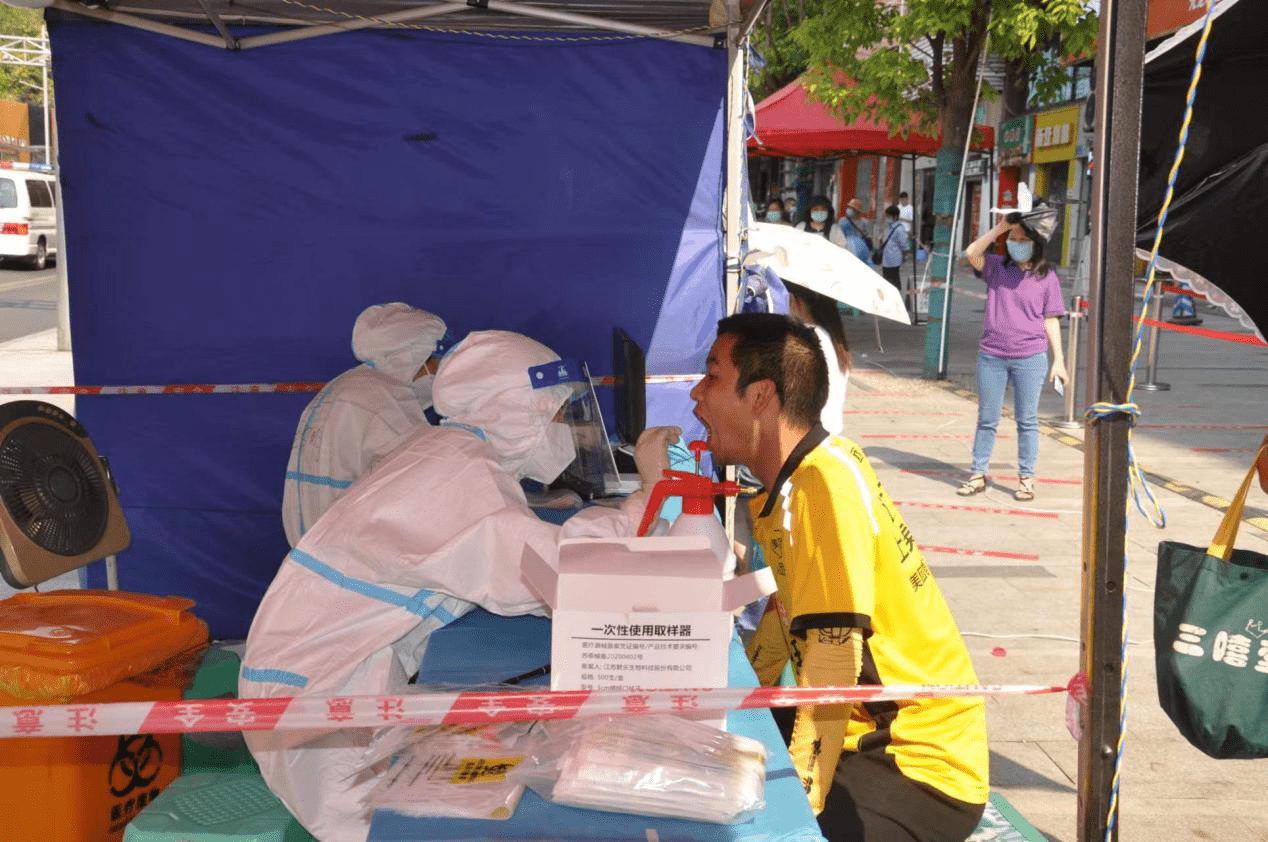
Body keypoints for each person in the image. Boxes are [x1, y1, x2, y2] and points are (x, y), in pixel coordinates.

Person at [243, 330, 682, 842]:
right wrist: (646, 497)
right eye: (556, 413)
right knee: (399, 828)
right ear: (514, 409)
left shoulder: (452, 453)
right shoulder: (454, 475)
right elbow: (561, 575)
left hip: (327, 677)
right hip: (321, 711)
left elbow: (503, 550)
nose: (564, 428)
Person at [690, 313, 989, 842]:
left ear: (760, 396)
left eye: (712, 376)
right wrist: (734, 712)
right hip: (859, 733)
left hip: (913, 763)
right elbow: (785, 625)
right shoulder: (800, 480)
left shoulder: (825, 486)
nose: (696, 395)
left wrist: (801, 808)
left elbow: (833, 653)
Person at [281, 302, 449, 546]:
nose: (438, 373)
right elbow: (420, 486)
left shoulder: (344, 386)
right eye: (436, 363)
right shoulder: (388, 400)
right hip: (351, 556)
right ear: (412, 356)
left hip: (312, 553)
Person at [957, 215, 1068, 501]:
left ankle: (1026, 479)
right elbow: (971, 253)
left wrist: (1059, 361)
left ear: (1036, 243)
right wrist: (1002, 227)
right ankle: (978, 474)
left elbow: (1051, 320)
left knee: (1027, 420)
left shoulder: (1047, 277)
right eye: (1012, 240)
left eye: (1022, 239)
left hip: (1030, 357)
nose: (1016, 244)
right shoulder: (995, 266)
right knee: (987, 418)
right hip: (992, 356)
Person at [784, 280, 851, 434]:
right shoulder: (835, 339)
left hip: (811, 436)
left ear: (796, 302)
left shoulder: (807, 338)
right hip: (831, 431)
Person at [877, 204, 909, 291]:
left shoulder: (900, 229)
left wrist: (904, 257)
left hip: (894, 259)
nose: (887, 218)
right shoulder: (889, 227)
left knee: (894, 280)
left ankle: (897, 298)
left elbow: (904, 245)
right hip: (886, 259)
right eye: (886, 216)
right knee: (886, 280)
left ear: (895, 216)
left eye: (888, 216)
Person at [837, 198, 874, 266]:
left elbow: (868, 236)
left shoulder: (864, 222)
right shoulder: (843, 221)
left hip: (860, 250)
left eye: (852, 209)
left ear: (857, 211)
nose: (849, 210)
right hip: (846, 249)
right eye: (849, 208)